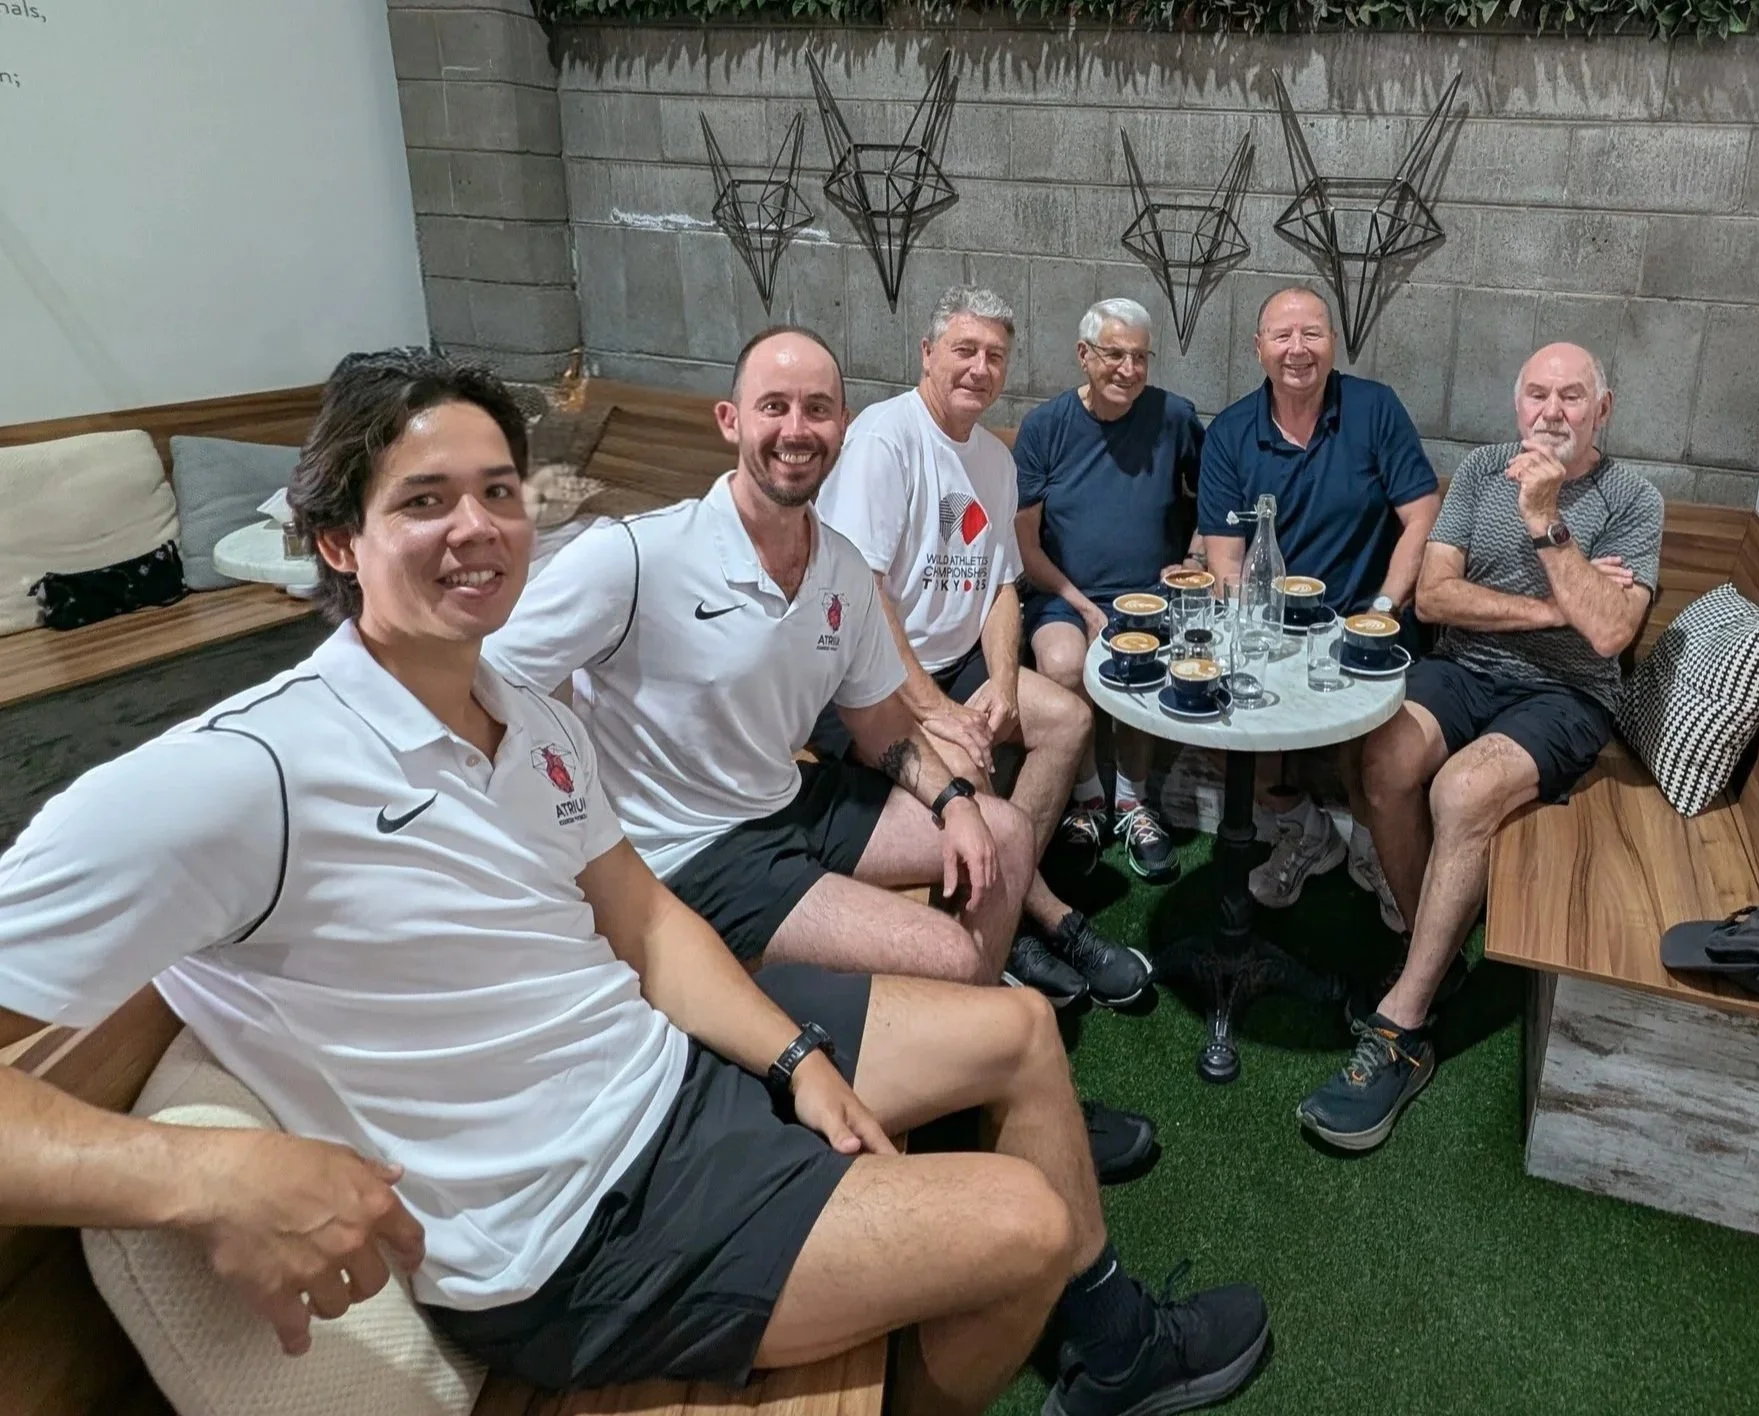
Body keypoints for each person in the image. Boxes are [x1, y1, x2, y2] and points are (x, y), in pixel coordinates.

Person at [0, 348, 1270, 1416]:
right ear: (338, 538)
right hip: (571, 1231)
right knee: (1022, 1223)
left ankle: (1111, 1347)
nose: (477, 529)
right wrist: (201, 1177)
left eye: (499, 492)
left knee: (1021, 1027)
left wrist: (792, 1057)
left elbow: (644, 919)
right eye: (425, 501)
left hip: (671, 1072)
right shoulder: (245, 775)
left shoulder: (528, 721)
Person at [485, 325, 1154, 1179]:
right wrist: (570, 808)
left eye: (816, 409)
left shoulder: (836, 565)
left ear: (842, 425)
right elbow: (494, 677)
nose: (795, 429)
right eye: (773, 406)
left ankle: (968, 1069)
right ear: (730, 420)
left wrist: (954, 804)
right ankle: (990, 1092)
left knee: (1008, 835)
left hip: (785, 797)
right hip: (692, 850)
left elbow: (876, 725)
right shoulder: (636, 555)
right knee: (950, 953)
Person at [1298, 342, 1663, 1152]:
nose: (1551, 411)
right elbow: (1434, 597)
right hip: (1463, 669)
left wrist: (1545, 521)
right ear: (1516, 403)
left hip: (1566, 695)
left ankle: (1403, 1024)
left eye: (1572, 396)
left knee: (1461, 791)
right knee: (1381, 757)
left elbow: (1608, 634)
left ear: (1602, 409)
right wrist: (1556, 609)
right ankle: (1431, 947)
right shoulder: (1477, 470)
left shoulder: (1634, 500)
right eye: (1537, 394)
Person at [815, 286, 1151, 1011]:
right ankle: (1044, 919)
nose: (979, 368)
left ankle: (1007, 897)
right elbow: (862, 595)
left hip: (957, 663)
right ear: (927, 353)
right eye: (964, 350)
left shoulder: (994, 459)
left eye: (994, 356)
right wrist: (935, 710)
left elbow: (1002, 586)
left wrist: (1001, 681)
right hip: (864, 679)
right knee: (965, 760)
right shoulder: (885, 438)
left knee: (1067, 720)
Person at [1197, 286, 1442, 926]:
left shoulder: (1375, 409)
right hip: (1274, 630)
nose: (1297, 349)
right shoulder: (1229, 433)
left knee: (1367, 742)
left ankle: (1373, 847)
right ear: (1258, 348)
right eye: (1282, 336)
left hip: (1368, 625)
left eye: (1311, 334)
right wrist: (1253, 642)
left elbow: (1422, 516)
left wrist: (1384, 607)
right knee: (1210, 716)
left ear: (1333, 343)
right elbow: (1225, 562)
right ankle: (1307, 831)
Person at [1015, 297, 1206, 884]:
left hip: (1148, 594)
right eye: (1115, 355)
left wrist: (1194, 558)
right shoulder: (1045, 426)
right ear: (1084, 354)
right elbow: (1025, 544)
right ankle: (1087, 800)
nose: (1129, 369)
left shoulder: (1175, 416)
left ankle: (1132, 801)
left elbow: (1214, 499)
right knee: (1062, 663)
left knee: (1138, 660)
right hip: (1062, 594)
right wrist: (1080, 605)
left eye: (1140, 357)